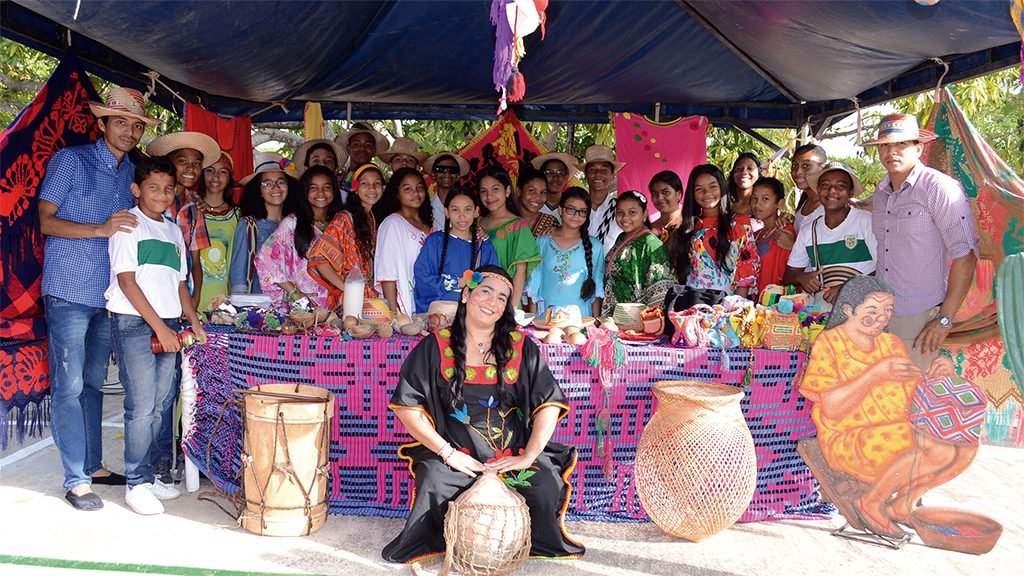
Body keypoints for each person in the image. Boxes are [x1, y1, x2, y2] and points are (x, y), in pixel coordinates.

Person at [382, 265, 585, 563]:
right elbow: (408, 407)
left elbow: (550, 403)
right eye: (485, 292)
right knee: (434, 484)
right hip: (457, 457)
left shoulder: (520, 347)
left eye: (502, 298)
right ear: (466, 294)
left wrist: (528, 456)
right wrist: (448, 453)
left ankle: (522, 541)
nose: (492, 302)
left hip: (510, 457)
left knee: (544, 484)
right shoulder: (434, 345)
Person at [38, 86, 161, 510]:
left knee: (92, 384)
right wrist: (99, 229)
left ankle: (92, 465)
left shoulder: (134, 175)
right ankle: (75, 480)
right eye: (121, 121)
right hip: (68, 290)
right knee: (69, 385)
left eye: (136, 124)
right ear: (103, 123)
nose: (129, 130)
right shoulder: (70, 161)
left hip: (109, 296)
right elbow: (46, 222)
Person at [800, 276, 978, 538]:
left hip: (898, 426)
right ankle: (871, 503)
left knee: (966, 447)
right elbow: (831, 408)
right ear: (848, 309)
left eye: (888, 311)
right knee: (935, 448)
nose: (882, 319)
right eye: (872, 311)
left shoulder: (890, 343)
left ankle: (902, 504)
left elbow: (914, 390)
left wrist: (939, 375)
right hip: (849, 436)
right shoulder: (830, 344)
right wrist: (875, 374)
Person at [105, 156, 205, 515]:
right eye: (152, 188)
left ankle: (155, 475)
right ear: (136, 190)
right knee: (142, 404)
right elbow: (127, 283)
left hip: (168, 324)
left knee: (163, 404)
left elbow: (180, 283)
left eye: (167, 189)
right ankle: (136, 482)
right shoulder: (127, 226)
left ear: (175, 191)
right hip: (134, 322)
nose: (161, 195)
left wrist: (191, 320)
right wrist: (161, 328)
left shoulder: (174, 230)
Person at [863, 114, 979, 370]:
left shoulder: (938, 188)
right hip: (883, 315)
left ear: (918, 147)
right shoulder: (881, 194)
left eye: (901, 144)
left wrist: (944, 320)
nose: (891, 152)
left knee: (915, 400)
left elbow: (965, 255)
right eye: (884, 145)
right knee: (887, 399)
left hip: (920, 317)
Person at [147, 133, 225, 311]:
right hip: (151, 294)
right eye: (182, 161)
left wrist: (195, 297)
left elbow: (195, 260)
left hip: (182, 296)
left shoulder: (194, 206)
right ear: (169, 163)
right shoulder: (152, 200)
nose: (191, 169)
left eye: (197, 164)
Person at [784, 162, 876, 306]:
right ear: (818, 190)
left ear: (851, 193)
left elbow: (884, 269)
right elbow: (789, 275)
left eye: (841, 186)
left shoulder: (866, 221)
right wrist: (802, 277)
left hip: (863, 305)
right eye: (825, 185)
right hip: (823, 308)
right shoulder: (809, 230)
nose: (832, 191)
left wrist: (849, 287)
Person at [668, 164, 759, 297]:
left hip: (727, 309)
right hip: (692, 309)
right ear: (692, 194)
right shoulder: (686, 230)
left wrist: (737, 309)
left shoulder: (739, 224)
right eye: (699, 189)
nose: (707, 193)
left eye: (713, 186)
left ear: (722, 188)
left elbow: (746, 271)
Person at [254, 165, 340, 307]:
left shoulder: (339, 225)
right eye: (314, 188)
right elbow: (264, 258)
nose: (321, 193)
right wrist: (295, 293)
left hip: (335, 306)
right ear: (305, 192)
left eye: (326, 187)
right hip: (302, 308)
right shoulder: (292, 224)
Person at [308, 164, 384, 309]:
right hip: (349, 302)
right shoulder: (344, 218)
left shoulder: (372, 217)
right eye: (365, 184)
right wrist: (346, 289)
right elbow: (318, 258)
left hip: (369, 299)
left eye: (377, 183)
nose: (372, 189)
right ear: (355, 188)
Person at [413, 185, 498, 313]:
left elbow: (493, 281)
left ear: (476, 212)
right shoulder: (435, 241)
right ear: (446, 212)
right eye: (455, 210)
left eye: (468, 209)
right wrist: (457, 283)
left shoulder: (484, 246)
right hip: (440, 315)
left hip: (472, 316)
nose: (462, 216)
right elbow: (422, 277)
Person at [527, 187, 605, 317]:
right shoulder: (544, 241)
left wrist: (596, 323)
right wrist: (532, 321)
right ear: (560, 210)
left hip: (580, 321)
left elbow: (596, 290)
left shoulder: (595, 246)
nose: (576, 215)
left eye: (582, 212)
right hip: (546, 320)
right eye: (571, 209)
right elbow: (534, 282)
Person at [230, 152, 296, 294]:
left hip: (296, 308)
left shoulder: (295, 224)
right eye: (267, 183)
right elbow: (238, 275)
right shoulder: (249, 225)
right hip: (261, 308)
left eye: (281, 182)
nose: (276, 188)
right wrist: (244, 309)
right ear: (258, 190)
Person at [601, 190, 673, 316]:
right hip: (614, 318)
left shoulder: (650, 244)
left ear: (644, 214)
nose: (625, 218)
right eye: (620, 213)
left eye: (632, 212)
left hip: (636, 322)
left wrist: (649, 321)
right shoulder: (621, 238)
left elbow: (660, 291)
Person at [183, 152, 239, 312]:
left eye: (223, 172)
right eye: (210, 170)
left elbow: (235, 263)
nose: (215, 177)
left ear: (229, 178)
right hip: (190, 293)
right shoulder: (190, 209)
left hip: (222, 298)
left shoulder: (237, 216)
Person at [478, 167, 541, 308]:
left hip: (504, 300)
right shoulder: (475, 223)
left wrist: (512, 309)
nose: (489, 196)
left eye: (495, 189)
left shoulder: (518, 226)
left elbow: (520, 272)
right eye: (483, 191)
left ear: (507, 191)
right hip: (478, 299)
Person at [375, 167, 433, 315]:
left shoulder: (431, 225)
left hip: (429, 302)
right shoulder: (392, 224)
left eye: (419, 187)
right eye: (408, 189)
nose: (416, 193)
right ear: (397, 194)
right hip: (405, 305)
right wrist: (395, 312)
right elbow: (387, 272)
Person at [576, 145, 625, 254]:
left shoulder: (621, 210)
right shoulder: (575, 208)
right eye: (592, 169)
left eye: (604, 170)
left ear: (612, 175)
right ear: (585, 174)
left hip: (609, 270)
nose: (598, 174)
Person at [751, 176, 795, 293]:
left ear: (779, 203)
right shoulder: (754, 235)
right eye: (754, 198)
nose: (757, 204)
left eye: (765, 199)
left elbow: (790, 273)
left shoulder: (785, 233)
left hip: (774, 305)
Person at [425, 151, 470, 231]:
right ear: (433, 174)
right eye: (441, 169)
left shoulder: (468, 207)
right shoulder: (425, 207)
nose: (447, 174)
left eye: (452, 170)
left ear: (458, 176)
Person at [791, 143, 828, 230]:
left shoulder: (831, 206)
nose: (798, 172)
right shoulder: (804, 203)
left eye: (806, 166)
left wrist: (791, 243)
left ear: (823, 168)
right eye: (794, 165)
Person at [530, 151, 578, 219]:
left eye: (560, 173)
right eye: (549, 172)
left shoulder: (572, 208)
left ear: (566, 177)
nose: (555, 177)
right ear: (541, 176)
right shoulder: (532, 205)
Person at [517, 165, 559, 237]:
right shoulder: (504, 221)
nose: (538, 198)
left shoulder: (551, 223)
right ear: (518, 191)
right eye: (532, 190)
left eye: (543, 192)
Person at [648, 170, 684, 243]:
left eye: (665, 192)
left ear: (678, 194)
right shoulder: (649, 228)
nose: (659, 198)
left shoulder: (688, 225)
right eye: (654, 193)